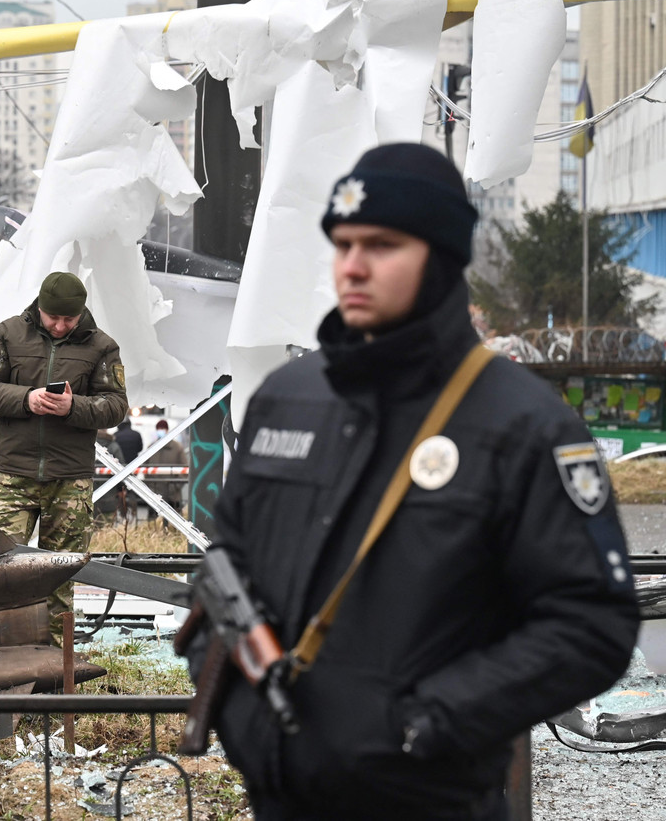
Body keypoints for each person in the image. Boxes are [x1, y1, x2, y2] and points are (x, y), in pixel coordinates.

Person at [188, 143, 640, 820]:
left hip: (427, 800)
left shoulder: (523, 423)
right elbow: (224, 563)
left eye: (383, 244)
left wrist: (425, 722)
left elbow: (590, 623)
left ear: (442, 256)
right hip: (279, 794)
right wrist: (236, 709)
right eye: (342, 244)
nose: (354, 266)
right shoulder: (288, 396)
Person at [0, 271, 129, 644]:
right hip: (14, 474)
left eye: (68, 320)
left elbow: (116, 406)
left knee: (61, 580)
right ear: (39, 308)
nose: (59, 326)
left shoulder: (102, 347)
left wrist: (74, 406)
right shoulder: (6, 334)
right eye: (52, 317)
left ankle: (58, 672)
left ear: (80, 313)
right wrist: (27, 399)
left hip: (69, 479)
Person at [145, 419, 187, 525]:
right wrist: (150, 487)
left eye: (162, 429)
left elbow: (185, 470)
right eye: (158, 429)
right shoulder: (151, 447)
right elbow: (145, 469)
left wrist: (174, 487)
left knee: (173, 526)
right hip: (154, 494)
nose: (160, 431)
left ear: (167, 430)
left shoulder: (177, 448)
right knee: (153, 526)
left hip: (173, 496)